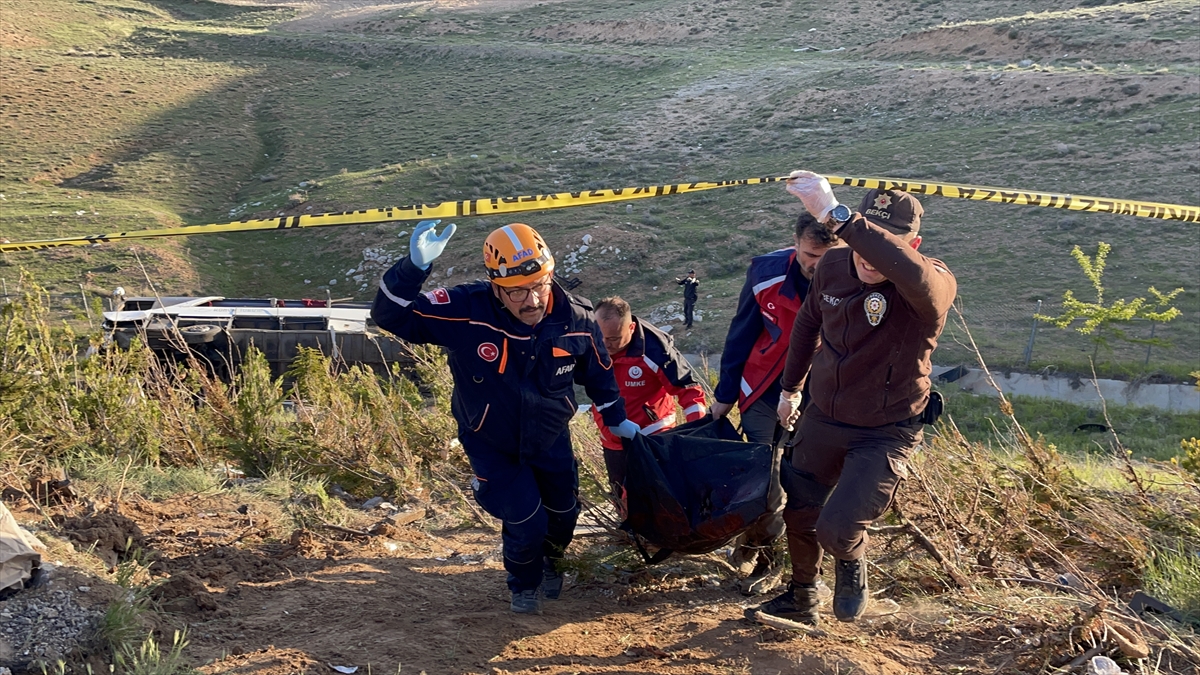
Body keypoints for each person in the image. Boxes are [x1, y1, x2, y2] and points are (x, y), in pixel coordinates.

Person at [372, 220, 640, 615]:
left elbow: (600, 375)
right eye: (517, 291)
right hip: (490, 438)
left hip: (549, 436)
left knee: (564, 514)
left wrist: (617, 417)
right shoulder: (468, 309)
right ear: (495, 285)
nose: (531, 301)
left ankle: (552, 562)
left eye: (539, 286)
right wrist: (413, 268)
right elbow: (391, 316)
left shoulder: (578, 319)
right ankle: (524, 584)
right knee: (526, 519)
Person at [756, 172, 957, 626]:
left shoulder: (934, 284)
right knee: (801, 511)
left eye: (884, 242)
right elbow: (807, 325)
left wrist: (839, 217)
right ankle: (803, 596)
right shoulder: (833, 265)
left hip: (885, 430)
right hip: (824, 415)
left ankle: (850, 557)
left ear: (913, 244)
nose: (867, 255)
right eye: (862, 240)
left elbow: (918, 277)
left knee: (838, 528)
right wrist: (790, 390)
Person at [709, 212, 843, 592]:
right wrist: (724, 396)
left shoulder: (853, 277)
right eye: (809, 255)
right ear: (795, 242)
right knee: (763, 480)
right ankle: (760, 553)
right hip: (763, 388)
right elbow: (740, 333)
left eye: (825, 257)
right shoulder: (765, 273)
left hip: (819, 396)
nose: (816, 265)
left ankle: (786, 562)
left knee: (802, 485)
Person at [589, 296, 708, 512]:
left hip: (653, 435)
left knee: (655, 498)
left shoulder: (655, 350)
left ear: (631, 328)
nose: (605, 344)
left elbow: (689, 391)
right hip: (612, 438)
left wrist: (696, 435)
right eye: (600, 336)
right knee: (621, 499)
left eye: (614, 338)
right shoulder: (589, 340)